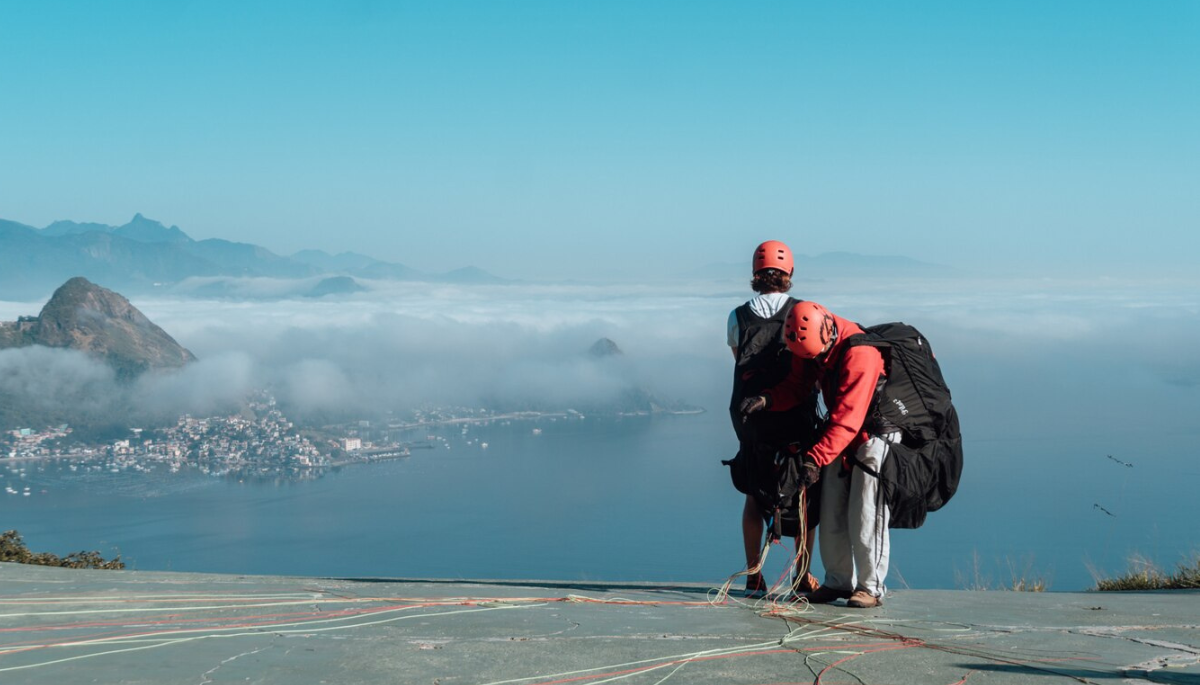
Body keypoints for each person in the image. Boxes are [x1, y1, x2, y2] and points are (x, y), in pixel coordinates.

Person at [741, 300, 895, 608]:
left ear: (828, 335)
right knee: (831, 508)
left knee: (866, 511)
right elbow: (798, 386)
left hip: (873, 435)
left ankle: (871, 587)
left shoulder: (860, 355)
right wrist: (766, 400)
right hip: (839, 435)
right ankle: (838, 581)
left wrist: (813, 460)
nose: (812, 361)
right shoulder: (811, 341)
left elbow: (849, 420)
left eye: (815, 356)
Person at [726, 240, 822, 598]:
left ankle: (754, 575)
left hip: (750, 417)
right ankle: (801, 575)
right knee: (803, 495)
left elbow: (739, 361)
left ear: (754, 274)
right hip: (795, 415)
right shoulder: (806, 312)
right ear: (790, 274)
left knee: (754, 493)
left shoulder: (737, 316)